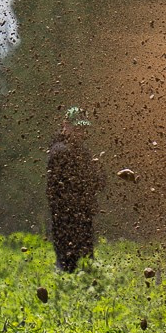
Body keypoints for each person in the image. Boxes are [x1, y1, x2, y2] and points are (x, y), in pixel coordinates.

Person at [45, 108, 106, 272]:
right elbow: (55, 189)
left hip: (83, 217)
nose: (81, 133)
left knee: (87, 264)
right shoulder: (59, 151)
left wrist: (99, 169)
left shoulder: (83, 152)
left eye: (83, 129)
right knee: (68, 266)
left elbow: (98, 184)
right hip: (65, 219)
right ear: (66, 126)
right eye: (77, 128)